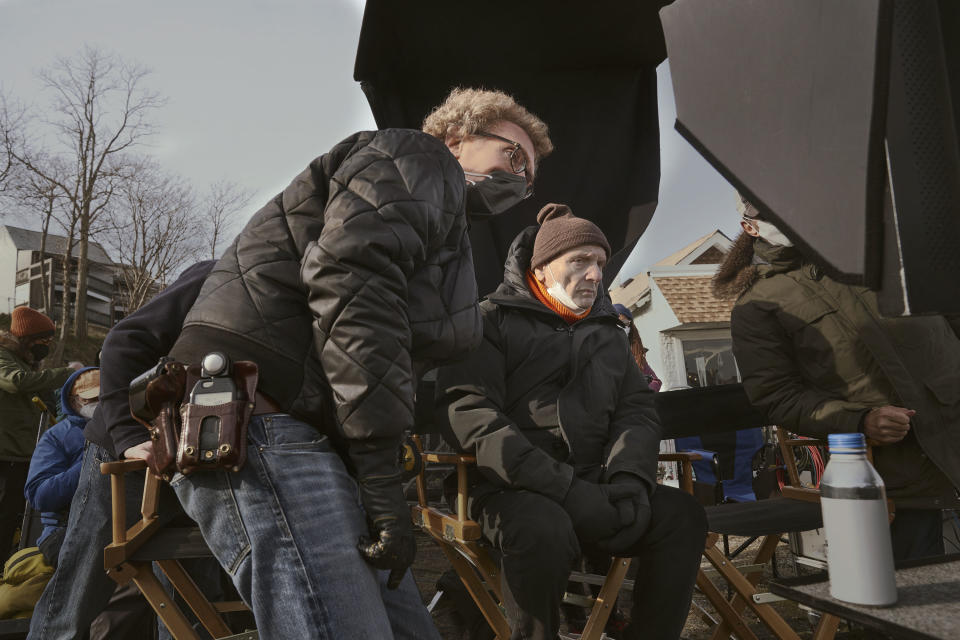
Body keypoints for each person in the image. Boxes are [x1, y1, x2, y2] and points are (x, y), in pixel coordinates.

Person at [125, 88, 554, 638]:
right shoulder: (419, 158)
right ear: (457, 138)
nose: (519, 182)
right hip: (262, 418)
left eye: (530, 177)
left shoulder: (446, 228)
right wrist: (378, 469)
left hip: (314, 438)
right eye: (512, 156)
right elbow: (354, 286)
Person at [437, 204, 707, 640]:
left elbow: (636, 412)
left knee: (681, 515)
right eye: (579, 261)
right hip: (507, 488)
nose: (596, 274)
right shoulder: (489, 321)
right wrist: (564, 489)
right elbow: (471, 414)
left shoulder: (608, 334)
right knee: (543, 528)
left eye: (600, 263)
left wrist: (630, 481)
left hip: (601, 482)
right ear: (541, 270)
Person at [714, 195, 960, 561]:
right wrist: (860, 420)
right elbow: (776, 395)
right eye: (774, 212)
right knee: (920, 603)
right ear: (750, 227)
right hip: (898, 473)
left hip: (953, 432)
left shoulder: (890, 255)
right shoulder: (759, 304)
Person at [27, 262, 217, 640]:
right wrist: (127, 435)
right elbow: (122, 340)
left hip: (198, 455)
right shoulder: (217, 275)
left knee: (192, 593)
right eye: (87, 395)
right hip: (129, 451)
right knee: (83, 581)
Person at [0, 307, 76, 561]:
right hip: (5, 452)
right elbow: (16, 381)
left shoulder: (27, 362)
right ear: (25, 339)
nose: (47, 346)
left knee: (13, 515)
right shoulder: (4, 357)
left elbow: (48, 398)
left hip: (23, 454)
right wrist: (66, 373)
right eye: (43, 341)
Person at [23, 367, 99, 566]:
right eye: (90, 399)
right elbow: (40, 497)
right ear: (73, 401)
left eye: (105, 397)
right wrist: (92, 461)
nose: (99, 404)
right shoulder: (56, 437)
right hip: (63, 530)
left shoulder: (128, 430)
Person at [614, 303, 662, 392]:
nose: (622, 328)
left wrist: (644, 390)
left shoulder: (636, 357)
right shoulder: (602, 354)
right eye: (617, 324)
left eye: (625, 323)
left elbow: (656, 382)